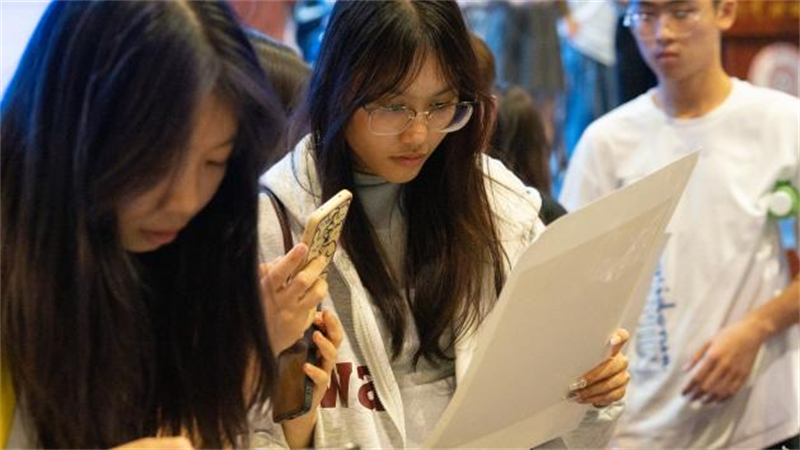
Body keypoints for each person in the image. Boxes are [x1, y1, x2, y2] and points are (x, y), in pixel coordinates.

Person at [253, 1, 631, 449]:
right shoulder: (274, 228)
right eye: (393, 106)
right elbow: (243, 429)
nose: (418, 135)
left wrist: (592, 390)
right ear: (339, 90)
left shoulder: (497, 204)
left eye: (440, 105)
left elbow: (566, 430)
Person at [0, 1, 340, 449]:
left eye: (214, 162)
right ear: (77, 128)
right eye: (157, 162)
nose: (184, 202)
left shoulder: (176, 257)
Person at [559, 1, 800, 449]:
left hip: (758, 414)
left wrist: (756, 328)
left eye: (682, 13)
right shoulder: (606, 142)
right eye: (645, 16)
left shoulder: (783, 122)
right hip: (638, 422)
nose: (662, 33)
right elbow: (570, 286)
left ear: (725, 11)